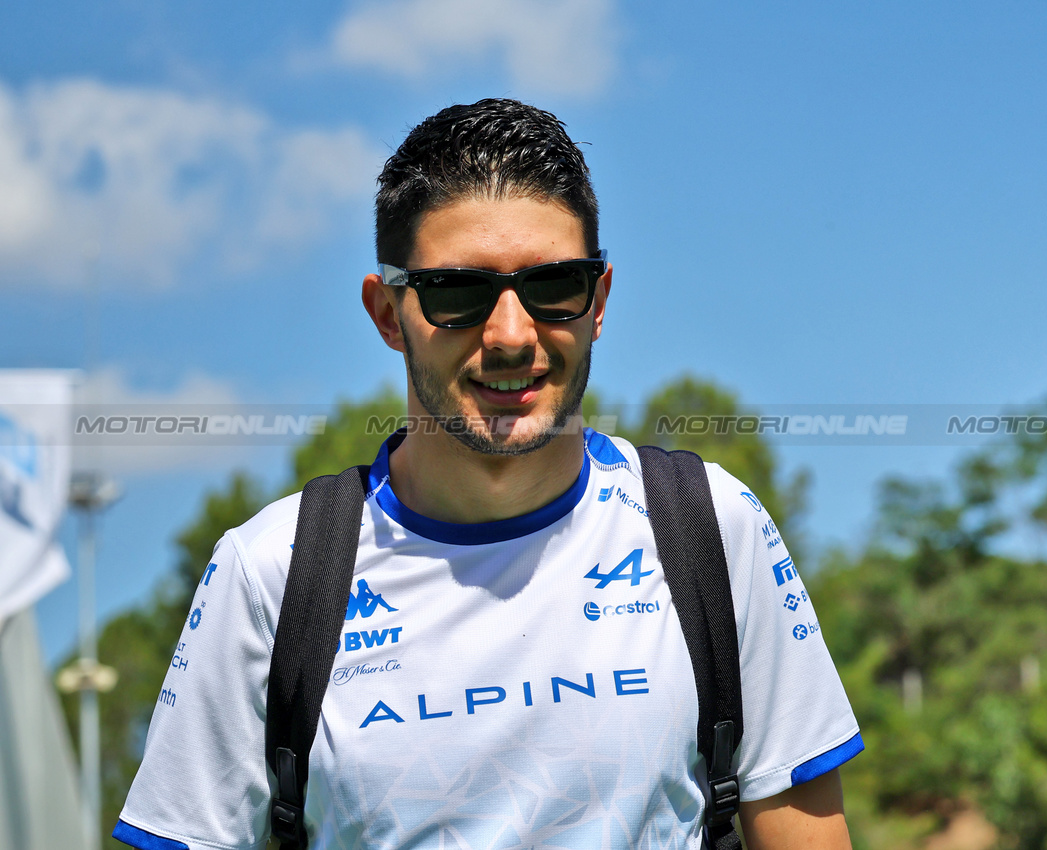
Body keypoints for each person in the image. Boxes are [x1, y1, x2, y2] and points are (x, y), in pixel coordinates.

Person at [113, 99, 862, 850]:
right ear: (386, 314)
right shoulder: (271, 573)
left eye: (553, 285)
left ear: (597, 302)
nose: (511, 335)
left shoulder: (711, 527)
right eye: (458, 294)